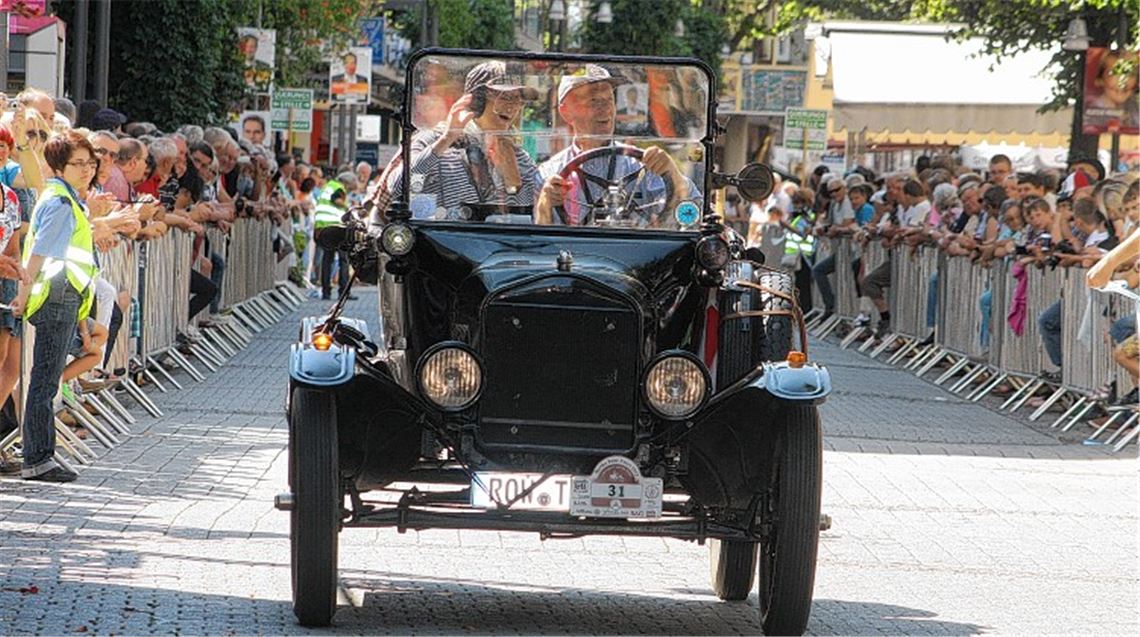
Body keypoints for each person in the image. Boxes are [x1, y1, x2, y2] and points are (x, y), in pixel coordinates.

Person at [12, 132, 102, 482]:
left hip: (63, 297)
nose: (87, 169)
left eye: (90, 163)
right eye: (78, 164)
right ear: (59, 167)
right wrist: (23, 292)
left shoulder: (66, 199)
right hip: (56, 296)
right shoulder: (61, 203)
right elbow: (39, 254)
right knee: (45, 381)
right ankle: (38, 459)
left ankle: (40, 456)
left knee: (46, 379)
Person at [534, 64, 697, 226]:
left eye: (609, 99)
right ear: (566, 112)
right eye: (593, 101)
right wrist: (544, 205)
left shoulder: (641, 166)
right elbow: (537, 237)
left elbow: (692, 213)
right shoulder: (550, 174)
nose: (605, 109)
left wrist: (672, 173)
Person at [394, 61, 542, 218]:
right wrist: (446, 139)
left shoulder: (519, 157)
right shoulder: (434, 140)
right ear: (477, 100)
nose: (512, 107)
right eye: (504, 97)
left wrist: (514, 184)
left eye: (518, 100)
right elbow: (398, 188)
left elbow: (534, 216)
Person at [313, 180, 353, 301]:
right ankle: (344, 292)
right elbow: (336, 200)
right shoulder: (339, 187)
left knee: (327, 260)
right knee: (344, 259)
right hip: (337, 228)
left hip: (324, 227)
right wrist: (348, 207)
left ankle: (326, 292)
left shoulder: (327, 187)